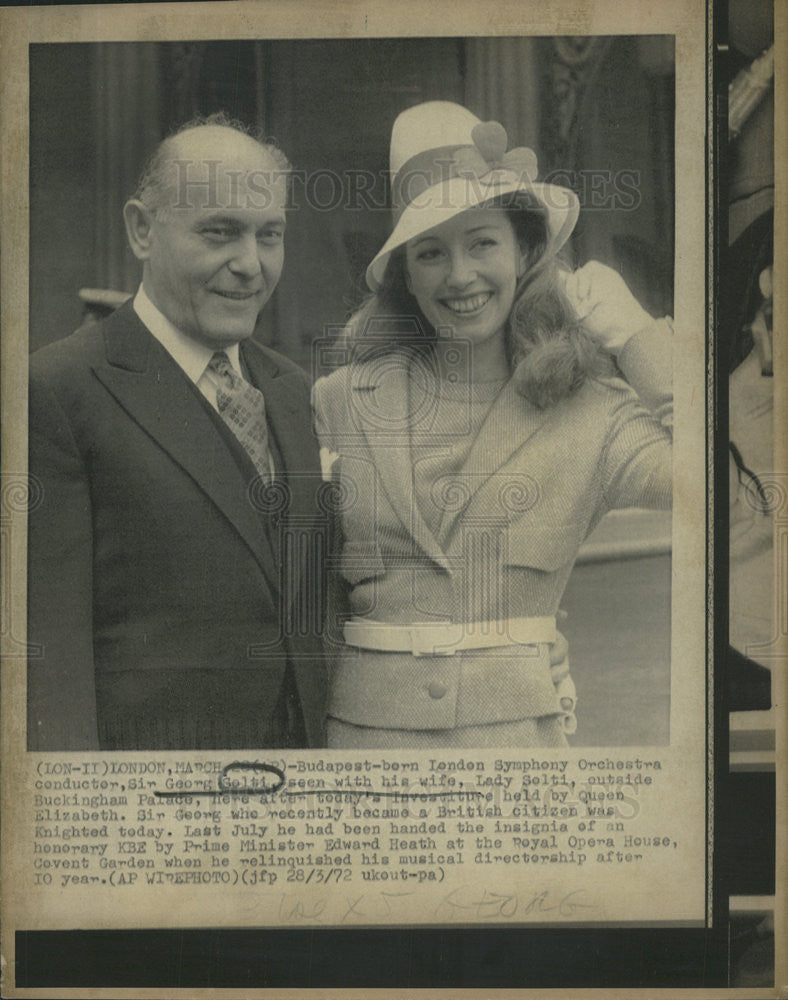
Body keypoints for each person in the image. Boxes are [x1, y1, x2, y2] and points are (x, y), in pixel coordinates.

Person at [312, 101, 673, 749]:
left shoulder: (592, 411)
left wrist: (641, 341)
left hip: (516, 753)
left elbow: (735, 496)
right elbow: (299, 587)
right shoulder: (338, 401)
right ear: (406, 275)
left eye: (483, 243)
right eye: (430, 253)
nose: (460, 277)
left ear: (526, 250)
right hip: (363, 758)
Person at [28, 114, 327, 751]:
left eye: (269, 235)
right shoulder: (56, 390)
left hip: (301, 796)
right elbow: (45, 658)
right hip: (153, 811)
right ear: (142, 229)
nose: (250, 264)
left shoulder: (289, 389)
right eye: (219, 232)